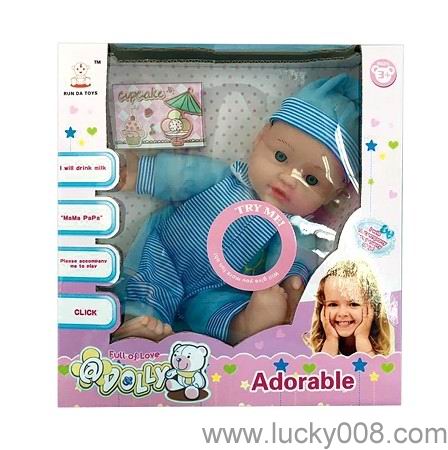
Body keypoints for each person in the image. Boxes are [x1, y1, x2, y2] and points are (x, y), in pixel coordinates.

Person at [112, 73, 361, 345]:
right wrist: (139, 173)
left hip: (215, 290)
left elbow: (294, 257)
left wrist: (292, 284)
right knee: (150, 279)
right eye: (280, 156)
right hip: (166, 250)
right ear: (260, 138)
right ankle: (138, 322)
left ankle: (244, 326)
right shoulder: (226, 179)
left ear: (334, 194)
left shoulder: (292, 229)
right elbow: (182, 175)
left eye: (311, 180)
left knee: (224, 307)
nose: (289, 179)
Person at [305, 260, 393, 356]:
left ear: (372, 308)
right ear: (322, 309)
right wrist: (331, 340)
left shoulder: (380, 342)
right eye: (333, 304)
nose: (342, 313)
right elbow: (323, 365)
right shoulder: (324, 342)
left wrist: (362, 338)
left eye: (353, 304)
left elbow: (372, 366)